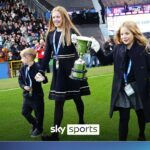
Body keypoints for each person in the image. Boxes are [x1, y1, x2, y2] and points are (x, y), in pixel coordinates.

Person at [36, 6, 90, 141]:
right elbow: (47, 55)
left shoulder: (71, 31)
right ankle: (55, 135)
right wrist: (41, 71)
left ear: (64, 17)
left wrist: (80, 47)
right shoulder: (50, 34)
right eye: (53, 17)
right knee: (58, 102)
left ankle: (82, 123)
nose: (55, 19)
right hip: (59, 71)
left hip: (72, 69)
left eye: (58, 17)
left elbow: (82, 51)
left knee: (77, 98)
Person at [91, 21, 150, 141]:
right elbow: (105, 60)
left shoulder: (143, 49)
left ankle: (141, 134)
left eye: (127, 33)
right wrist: (97, 49)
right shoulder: (118, 48)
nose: (124, 37)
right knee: (124, 117)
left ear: (134, 33)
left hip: (138, 87)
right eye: (122, 34)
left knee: (141, 114)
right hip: (122, 89)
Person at [18, 48, 48, 137]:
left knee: (39, 114)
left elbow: (45, 80)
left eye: (22, 57)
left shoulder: (38, 67)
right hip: (27, 95)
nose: (21, 59)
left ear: (28, 57)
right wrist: (24, 86)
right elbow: (20, 80)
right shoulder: (23, 68)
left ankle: (39, 129)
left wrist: (43, 79)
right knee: (25, 112)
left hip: (37, 95)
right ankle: (35, 124)